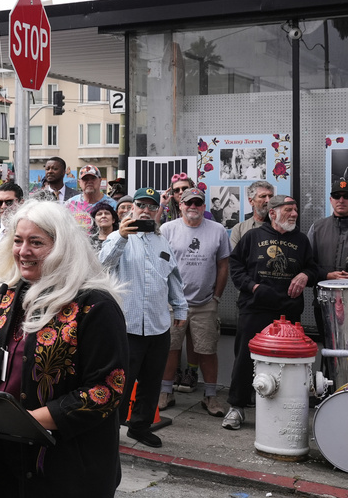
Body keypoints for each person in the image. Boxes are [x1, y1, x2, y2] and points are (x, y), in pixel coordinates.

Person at [0, 200, 128, 498]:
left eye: (36, 242)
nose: (23, 250)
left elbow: (107, 389)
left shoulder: (94, 305)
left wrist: (25, 422)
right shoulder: (2, 296)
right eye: (18, 240)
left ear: (62, 247)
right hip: (3, 463)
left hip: (66, 474)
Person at [99, 187, 187, 448]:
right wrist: (123, 238)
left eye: (151, 206)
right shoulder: (117, 237)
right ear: (131, 208)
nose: (146, 211)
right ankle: (109, 432)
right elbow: (102, 266)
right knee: (120, 384)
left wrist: (180, 308)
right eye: (141, 205)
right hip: (128, 326)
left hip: (158, 325)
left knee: (151, 382)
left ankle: (140, 427)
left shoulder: (162, 240)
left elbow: (173, 277)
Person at [224, 195, 320, 431]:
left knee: (286, 363)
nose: (295, 214)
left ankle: (282, 407)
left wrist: (306, 275)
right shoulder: (253, 236)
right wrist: (253, 287)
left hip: (288, 312)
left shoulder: (301, 240)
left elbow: (313, 267)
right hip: (255, 308)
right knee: (245, 359)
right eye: (289, 210)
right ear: (273, 213)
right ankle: (236, 407)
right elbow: (235, 266)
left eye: (295, 209)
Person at [159, 188, 231, 417]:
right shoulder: (167, 229)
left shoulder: (218, 230)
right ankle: (165, 391)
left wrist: (216, 296)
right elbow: (159, 263)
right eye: (188, 202)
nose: (193, 207)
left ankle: (210, 396)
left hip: (205, 303)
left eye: (198, 203)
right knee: (170, 348)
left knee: (207, 350)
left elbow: (223, 265)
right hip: (174, 303)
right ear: (180, 205)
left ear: (204, 206)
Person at [307, 177, 348, 356]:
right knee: (329, 351)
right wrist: (328, 275)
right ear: (330, 199)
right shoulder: (317, 228)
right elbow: (307, 266)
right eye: (336, 196)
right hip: (325, 305)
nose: (341, 200)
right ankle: (331, 385)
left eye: (346, 196)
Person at [229, 180, 275, 248]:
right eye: (263, 196)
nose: (268, 200)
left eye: (271, 196)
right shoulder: (240, 229)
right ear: (251, 201)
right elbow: (235, 257)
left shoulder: (281, 226)